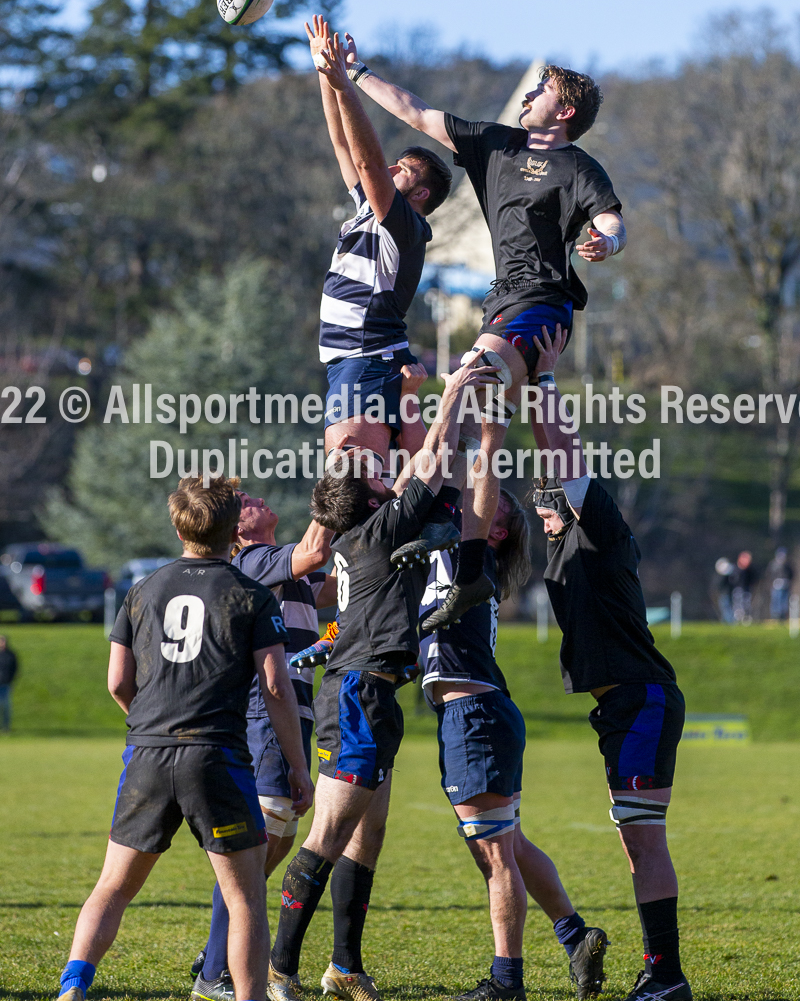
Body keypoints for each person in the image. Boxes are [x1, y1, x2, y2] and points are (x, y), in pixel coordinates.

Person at [331, 30, 625, 625]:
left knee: (463, 389)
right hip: (500, 305)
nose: (532, 90)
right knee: (472, 432)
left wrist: (605, 240)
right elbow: (412, 110)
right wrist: (354, 73)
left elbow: (612, 218)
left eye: (543, 87)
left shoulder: (577, 166)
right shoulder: (492, 144)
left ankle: (432, 527)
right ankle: (461, 560)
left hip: (541, 304)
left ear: (564, 111)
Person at [266, 355, 497, 1001]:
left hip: (375, 690)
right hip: (359, 695)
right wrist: (451, 393)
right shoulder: (377, 529)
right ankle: (278, 967)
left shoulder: (365, 531)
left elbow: (427, 466)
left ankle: (343, 965)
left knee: (369, 835)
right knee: (329, 835)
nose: (385, 473)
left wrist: (411, 396)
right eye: (376, 474)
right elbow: (431, 461)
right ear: (370, 497)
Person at [56, 476, 314, 1001]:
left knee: (113, 887)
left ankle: (72, 986)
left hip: (148, 752)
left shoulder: (142, 589)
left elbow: (116, 683)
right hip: (216, 754)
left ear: (179, 525)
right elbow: (275, 687)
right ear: (230, 531)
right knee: (243, 899)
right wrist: (296, 766)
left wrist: (153, 725)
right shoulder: (250, 593)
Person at [528, 326, 690, 1001]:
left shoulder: (600, 527)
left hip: (642, 699)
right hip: (618, 707)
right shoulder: (561, 547)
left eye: (543, 506)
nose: (538, 518)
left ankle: (666, 976)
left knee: (645, 840)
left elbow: (564, 454)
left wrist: (539, 385)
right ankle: (662, 971)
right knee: (634, 839)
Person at [419, 492, 608, 1001]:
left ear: (495, 532)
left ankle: (507, 984)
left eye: (490, 507)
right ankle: (575, 937)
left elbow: (468, 477)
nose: (469, 505)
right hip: (478, 715)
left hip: (474, 716)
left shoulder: (472, 556)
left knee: (495, 856)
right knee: (512, 845)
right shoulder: (450, 552)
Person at [191, 498, 337, 1001]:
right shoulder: (253, 563)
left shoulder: (280, 564)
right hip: (265, 710)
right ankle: (214, 972)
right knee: (255, 844)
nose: (252, 499)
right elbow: (317, 551)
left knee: (261, 848)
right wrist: (336, 485)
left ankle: (217, 954)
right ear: (237, 532)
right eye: (243, 503)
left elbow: (335, 583)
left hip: (293, 711)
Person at [306, 15, 452, 487]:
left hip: (367, 359)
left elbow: (368, 159)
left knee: (351, 486)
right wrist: (326, 78)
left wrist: (347, 86)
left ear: (421, 195)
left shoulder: (405, 226)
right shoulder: (372, 208)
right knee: (356, 487)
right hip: (353, 361)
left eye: (404, 169)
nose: (391, 168)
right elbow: (342, 144)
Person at [765, 547, 793, 621]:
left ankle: (783, 616)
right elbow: (769, 574)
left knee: (784, 601)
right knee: (776, 601)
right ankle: (775, 616)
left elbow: (791, 574)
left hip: (785, 585)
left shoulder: (787, 565)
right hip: (776, 585)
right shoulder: (773, 564)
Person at [731, 551, 756, 625]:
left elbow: (753, 579)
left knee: (746, 604)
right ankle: (737, 620)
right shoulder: (735, 568)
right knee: (738, 605)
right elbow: (732, 580)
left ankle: (746, 620)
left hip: (747, 589)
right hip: (737, 589)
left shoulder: (750, 570)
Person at [0, 635, 18, 731]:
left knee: (6, 706)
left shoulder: (10, 654)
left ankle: (6, 727)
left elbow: (14, 668)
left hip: (5, 683)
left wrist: (11, 680)